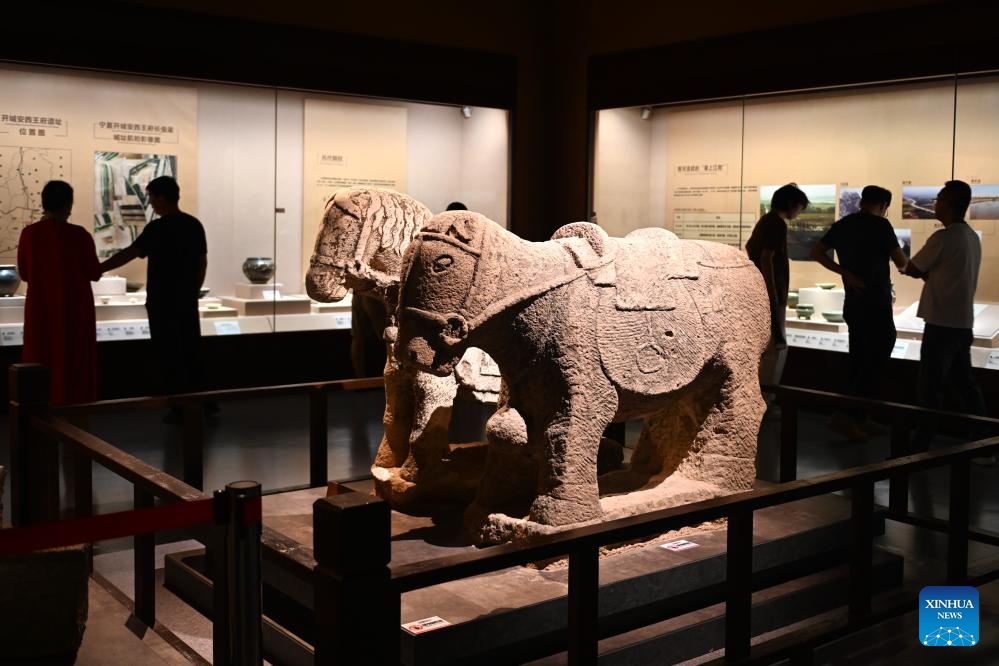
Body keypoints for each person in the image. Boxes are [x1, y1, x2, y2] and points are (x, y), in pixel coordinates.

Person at [99, 176, 211, 421]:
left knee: (170, 354)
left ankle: (179, 407)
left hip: (163, 302)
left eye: (151, 197)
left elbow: (130, 253)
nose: (150, 202)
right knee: (191, 350)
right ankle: (202, 404)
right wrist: (193, 291)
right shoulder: (193, 225)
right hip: (185, 300)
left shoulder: (158, 228)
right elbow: (201, 263)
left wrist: (99, 268)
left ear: (161, 197)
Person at [810, 185, 908, 442]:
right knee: (875, 356)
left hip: (854, 301)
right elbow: (901, 262)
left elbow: (817, 252)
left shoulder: (845, 224)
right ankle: (845, 415)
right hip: (876, 301)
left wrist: (847, 273)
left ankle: (860, 418)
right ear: (884, 205)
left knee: (858, 358)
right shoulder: (881, 226)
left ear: (863, 201)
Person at [901, 180, 989, 461]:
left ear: (949, 204)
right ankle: (984, 442)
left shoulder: (943, 237)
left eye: (938, 198)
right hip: (962, 323)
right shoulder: (970, 237)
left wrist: (900, 261)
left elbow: (913, 268)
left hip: (941, 324)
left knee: (930, 387)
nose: (934, 203)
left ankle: (920, 447)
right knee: (966, 385)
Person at [17, 180, 103, 405]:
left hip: (41, 308)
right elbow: (94, 272)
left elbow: (24, 273)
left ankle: (40, 407)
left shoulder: (29, 234)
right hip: (75, 308)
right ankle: (75, 407)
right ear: (67, 204)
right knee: (75, 358)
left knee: (41, 354)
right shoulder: (80, 235)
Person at [746, 183, 810, 408]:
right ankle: (765, 400)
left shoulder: (766, 221)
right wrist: (772, 293)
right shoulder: (776, 223)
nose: (799, 212)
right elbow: (766, 258)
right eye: (800, 207)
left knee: (769, 345)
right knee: (775, 346)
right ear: (792, 204)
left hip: (762, 292)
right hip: (770, 294)